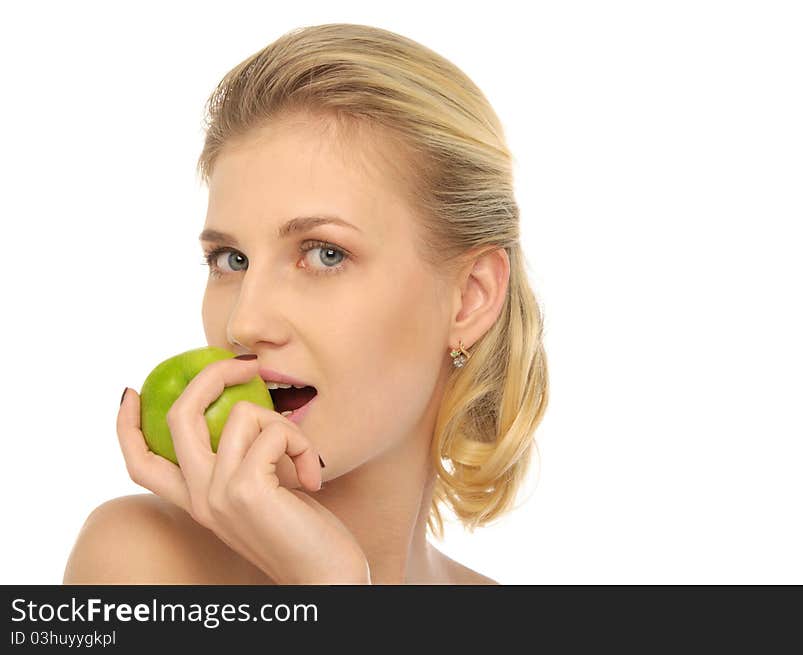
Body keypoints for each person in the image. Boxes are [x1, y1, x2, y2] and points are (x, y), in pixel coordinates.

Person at [63, 23, 549, 585]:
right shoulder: (142, 564)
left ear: (470, 297)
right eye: (231, 259)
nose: (244, 323)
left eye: (323, 254)